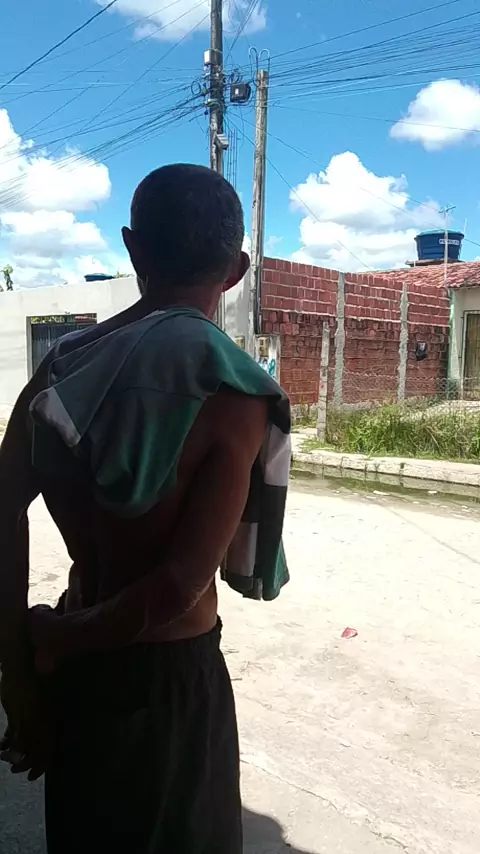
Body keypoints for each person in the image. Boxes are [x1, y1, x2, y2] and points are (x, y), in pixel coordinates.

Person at [0, 164, 290, 854]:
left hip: (76, 674)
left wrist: (21, 673)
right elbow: (180, 585)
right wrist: (57, 643)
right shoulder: (235, 390)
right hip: (167, 682)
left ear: (133, 249)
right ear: (237, 270)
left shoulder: (62, 369)